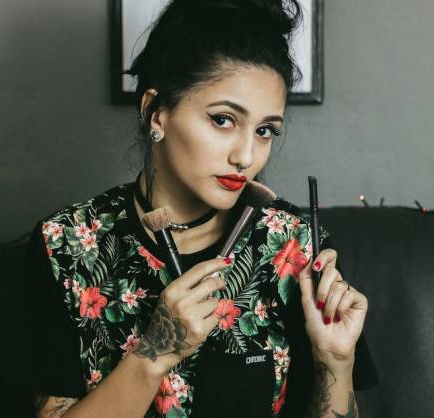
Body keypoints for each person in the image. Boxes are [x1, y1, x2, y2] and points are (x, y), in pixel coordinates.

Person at [27, 1, 378, 417]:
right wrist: (155, 353)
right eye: (223, 120)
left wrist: (336, 361)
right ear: (156, 112)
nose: (246, 156)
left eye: (265, 130)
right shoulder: (66, 246)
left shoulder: (292, 248)